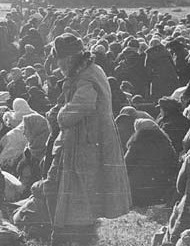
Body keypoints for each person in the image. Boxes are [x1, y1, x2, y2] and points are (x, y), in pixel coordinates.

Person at [42, 33, 131, 245]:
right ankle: (76, 234)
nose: (58, 65)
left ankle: (70, 236)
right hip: (88, 140)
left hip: (85, 144)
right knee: (80, 190)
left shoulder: (85, 78)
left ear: (69, 58)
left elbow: (83, 105)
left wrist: (60, 115)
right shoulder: (92, 71)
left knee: (75, 189)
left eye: (60, 60)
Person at [125, 118, 178, 207]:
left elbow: (126, 164)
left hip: (138, 190)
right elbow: (174, 162)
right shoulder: (166, 142)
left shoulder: (137, 143)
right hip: (162, 189)